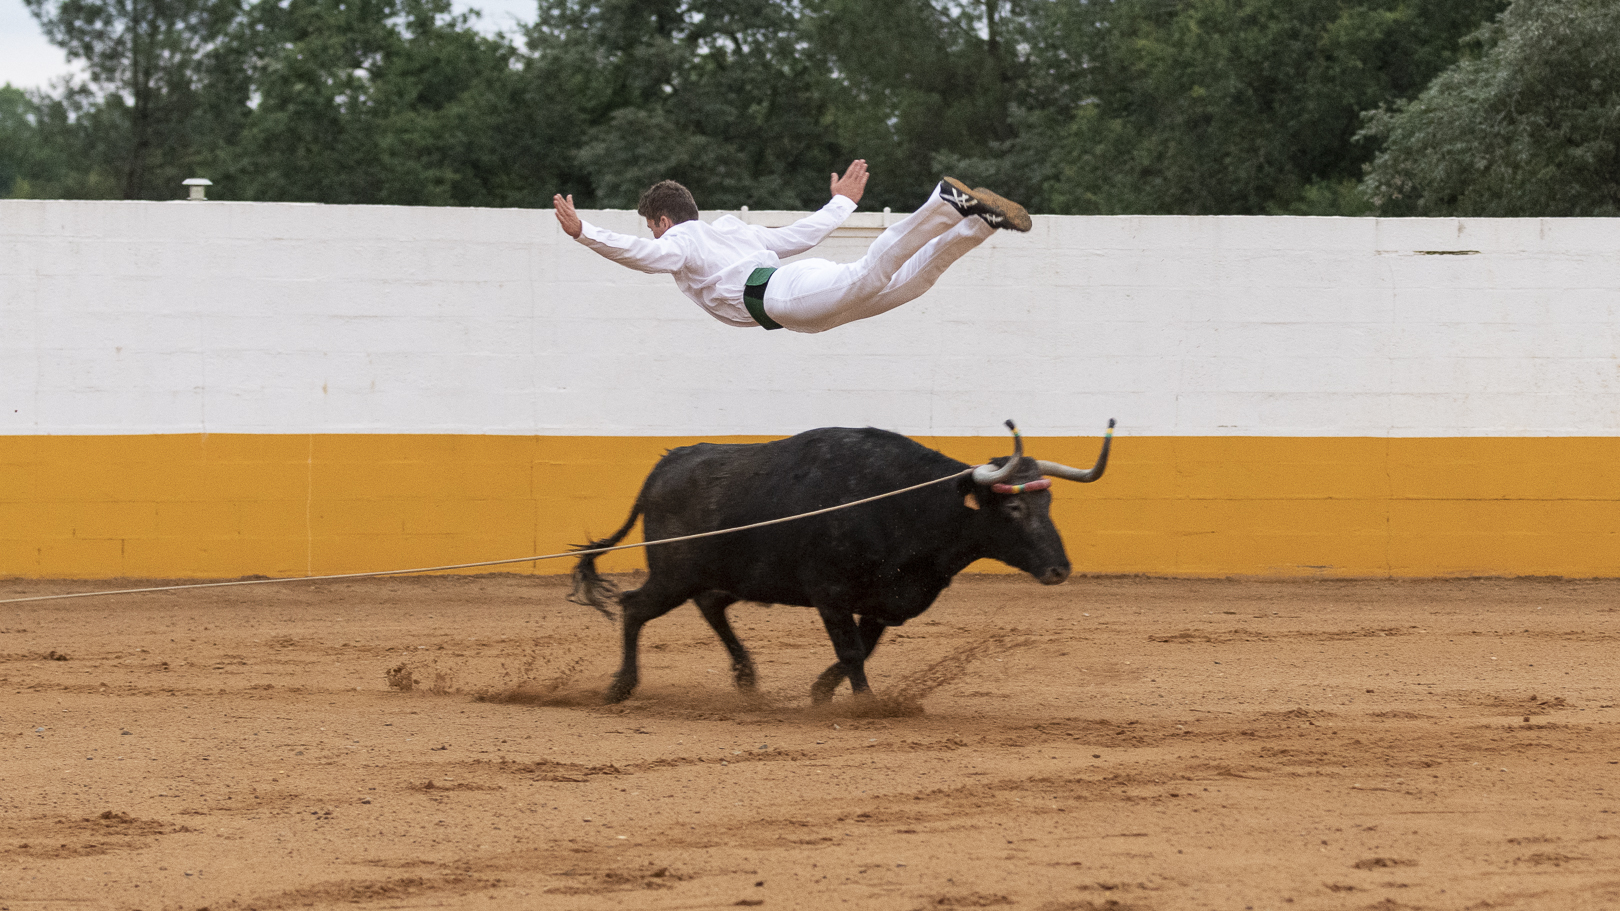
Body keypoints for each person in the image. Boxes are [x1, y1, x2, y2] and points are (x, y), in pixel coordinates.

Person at [551, 160, 1030, 334]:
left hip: (779, 296)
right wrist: (841, 204)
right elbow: (801, 235)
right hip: (795, 306)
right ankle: (980, 224)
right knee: (911, 284)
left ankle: (942, 206)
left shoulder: (681, 237)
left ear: (662, 220)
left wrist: (584, 232)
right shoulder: (731, 230)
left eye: (653, 227)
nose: (656, 237)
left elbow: (646, 256)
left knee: (871, 274)